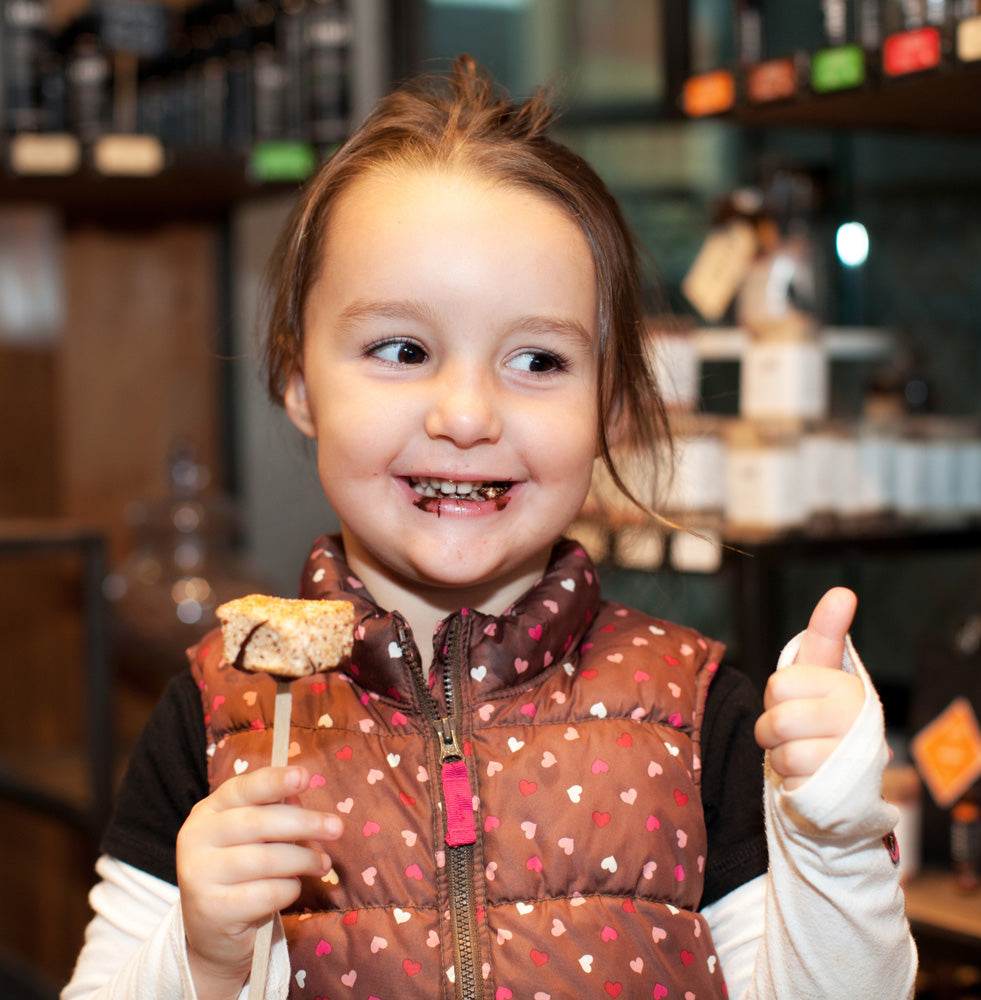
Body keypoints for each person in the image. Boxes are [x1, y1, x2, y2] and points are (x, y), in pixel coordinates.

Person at [63, 56, 917, 1000]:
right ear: (298, 380)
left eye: (539, 360)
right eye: (402, 349)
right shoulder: (215, 718)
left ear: (615, 406)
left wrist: (834, 835)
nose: (466, 415)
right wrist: (204, 957)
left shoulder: (702, 715)